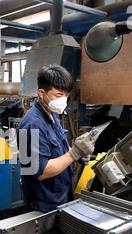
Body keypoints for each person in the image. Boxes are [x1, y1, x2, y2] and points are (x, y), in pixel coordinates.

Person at [18, 65, 96, 212]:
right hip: (42, 204)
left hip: (60, 195)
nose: (64, 100)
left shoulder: (52, 114)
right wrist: (73, 154)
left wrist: (78, 155)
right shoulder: (31, 125)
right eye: (58, 95)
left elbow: (59, 149)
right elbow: (40, 172)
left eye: (66, 95)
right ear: (42, 93)